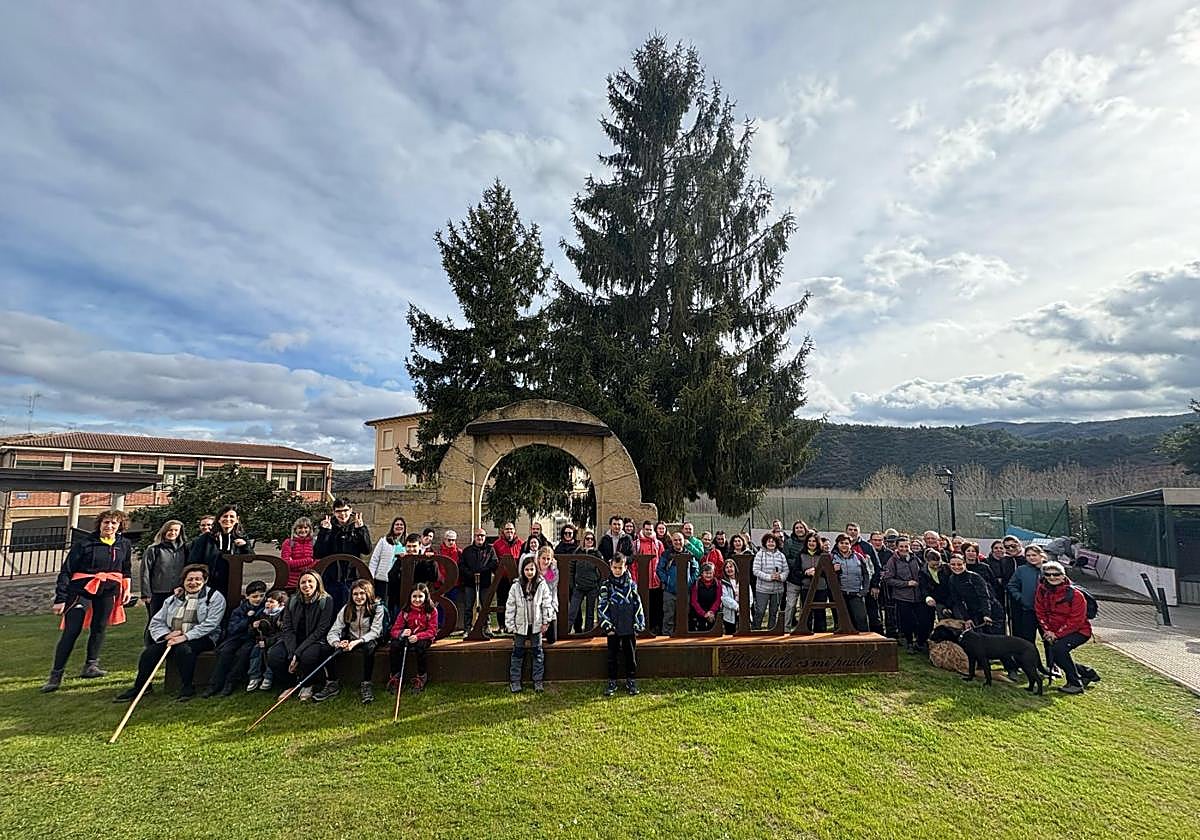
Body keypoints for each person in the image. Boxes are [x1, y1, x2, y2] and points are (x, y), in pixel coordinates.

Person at [41, 509, 134, 692]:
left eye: (113, 523)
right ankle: (56, 675)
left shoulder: (124, 544)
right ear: (100, 524)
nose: (109, 526)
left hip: (107, 590)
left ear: (119, 526)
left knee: (99, 627)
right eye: (106, 522)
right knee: (72, 631)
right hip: (81, 590)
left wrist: (127, 589)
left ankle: (91, 666)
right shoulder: (84, 544)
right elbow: (67, 571)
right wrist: (60, 598)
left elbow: (126, 569)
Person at [115, 564, 226, 702]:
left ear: (205, 581)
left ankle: (187, 687)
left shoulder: (215, 597)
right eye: (189, 579)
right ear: (184, 581)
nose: (193, 583)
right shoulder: (173, 599)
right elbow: (156, 622)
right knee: (149, 653)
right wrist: (166, 635)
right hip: (173, 636)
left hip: (203, 637)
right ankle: (141, 687)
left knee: (184, 650)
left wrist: (185, 637)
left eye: (198, 579)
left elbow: (211, 623)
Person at [266, 570, 336, 702]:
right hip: (292, 638)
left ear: (317, 584)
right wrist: (292, 652)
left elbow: (321, 629)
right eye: (303, 582)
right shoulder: (293, 600)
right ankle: (290, 684)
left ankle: (308, 684)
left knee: (307, 657)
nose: (307, 585)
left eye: (310, 581)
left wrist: (297, 653)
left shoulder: (326, 600)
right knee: (274, 655)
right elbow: (287, 627)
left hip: (315, 639)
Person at [318, 579, 385, 704]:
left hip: (369, 639)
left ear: (368, 594)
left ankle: (366, 683)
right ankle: (332, 683)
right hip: (351, 638)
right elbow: (334, 630)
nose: (359, 597)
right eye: (355, 594)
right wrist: (337, 643)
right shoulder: (347, 609)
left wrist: (358, 641)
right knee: (325, 648)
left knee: (369, 648)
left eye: (362, 593)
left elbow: (375, 632)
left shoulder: (377, 608)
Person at [1035, 560, 1096, 694]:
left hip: (1079, 631)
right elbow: (1040, 611)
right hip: (1053, 631)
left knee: (1058, 650)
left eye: (1056, 574)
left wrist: (1057, 635)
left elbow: (1076, 620)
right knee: (1056, 655)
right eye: (1048, 574)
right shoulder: (1042, 590)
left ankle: (1075, 683)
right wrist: (1047, 630)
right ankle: (1088, 674)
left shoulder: (1075, 595)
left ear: (1063, 575)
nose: (1052, 577)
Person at [202, 579, 268, 697]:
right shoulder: (240, 610)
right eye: (255, 596)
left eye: (261, 596)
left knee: (243, 654)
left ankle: (230, 682)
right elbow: (233, 628)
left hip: (252, 639)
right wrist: (247, 621)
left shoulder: (265, 609)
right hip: (237, 637)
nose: (258, 599)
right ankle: (214, 684)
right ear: (247, 597)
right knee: (225, 652)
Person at [598, 553, 645, 697]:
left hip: (628, 626)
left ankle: (631, 680)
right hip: (613, 627)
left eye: (620, 567)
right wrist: (607, 625)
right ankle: (612, 681)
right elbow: (601, 606)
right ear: (611, 567)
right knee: (612, 656)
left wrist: (638, 624)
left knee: (630, 655)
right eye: (615, 567)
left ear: (625, 567)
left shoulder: (631, 585)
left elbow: (638, 604)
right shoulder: (606, 586)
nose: (617, 570)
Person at [506, 556, 555, 693]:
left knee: (537, 653)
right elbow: (511, 606)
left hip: (536, 625)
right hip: (520, 625)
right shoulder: (516, 586)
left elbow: (547, 604)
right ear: (522, 570)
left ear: (536, 570)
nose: (529, 572)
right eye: (527, 569)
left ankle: (538, 681)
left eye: (532, 569)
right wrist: (510, 625)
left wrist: (546, 621)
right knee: (518, 653)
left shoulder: (542, 584)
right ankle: (515, 681)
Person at [315, 499, 371, 611]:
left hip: (351, 577)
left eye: (345, 510)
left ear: (350, 510)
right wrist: (325, 532)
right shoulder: (329, 527)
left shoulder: (356, 527)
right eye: (339, 511)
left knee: (351, 609)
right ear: (334, 512)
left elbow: (366, 550)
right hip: (332, 577)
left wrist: (361, 530)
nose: (342, 514)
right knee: (331, 609)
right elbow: (318, 553)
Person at [188, 505, 251, 601]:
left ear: (237, 520)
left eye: (231, 516)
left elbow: (250, 558)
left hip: (231, 584)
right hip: (208, 584)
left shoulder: (241, 538)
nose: (228, 519)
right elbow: (193, 561)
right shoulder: (206, 539)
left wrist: (245, 546)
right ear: (219, 519)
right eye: (225, 516)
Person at [140, 519, 187, 642]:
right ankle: (150, 647)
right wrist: (146, 593)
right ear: (164, 531)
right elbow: (145, 572)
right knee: (154, 621)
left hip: (177, 593)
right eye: (170, 530)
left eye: (176, 530)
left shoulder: (184, 550)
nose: (173, 532)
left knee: (173, 621)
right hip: (157, 592)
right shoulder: (154, 549)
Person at [388, 583, 438, 694]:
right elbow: (394, 630)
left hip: (424, 637)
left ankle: (421, 676)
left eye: (420, 596)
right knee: (395, 645)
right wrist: (402, 633)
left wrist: (418, 636)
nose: (417, 599)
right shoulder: (405, 611)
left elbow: (432, 630)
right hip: (408, 638)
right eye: (414, 596)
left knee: (421, 648)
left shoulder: (432, 611)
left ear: (426, 597)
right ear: (410, 597)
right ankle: (395, 676)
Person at [882, 537, 924, 652]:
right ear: (897, 547)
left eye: (906, 546)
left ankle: (920, 642)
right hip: (902, 597)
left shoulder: (916, 558)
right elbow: (888, 579)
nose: (904, 549)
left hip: (918, 595)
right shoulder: (892, 561)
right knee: (907, 621)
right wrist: (906, 583)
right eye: (901, 546)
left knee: (919, 620)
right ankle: (909, 643)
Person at [657, 532, 699, 636]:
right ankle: (666, 638)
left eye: (680, 540)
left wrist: (689, 582)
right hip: (669, 592)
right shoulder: (666, 554)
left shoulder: (690, 554)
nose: (678, 542)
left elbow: (696, 569)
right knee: (668, 617)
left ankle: (683, 638)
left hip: (685, 592)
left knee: (684, 616)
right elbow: (659, 569)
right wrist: (668, 581)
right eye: (675, 540)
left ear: (683, 541)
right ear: (672, 541)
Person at [460, 528, 498, 636]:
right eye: (478, 536)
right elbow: (462, 565)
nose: (480, 538)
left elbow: (494, 563)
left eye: (482, 536)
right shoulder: (467, 550)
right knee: (468, 607)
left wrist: (483, 570)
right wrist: (470, 573)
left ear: (485, 537)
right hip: (470, 583)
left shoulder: (490, 550)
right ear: (474, 537)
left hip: (485, 582)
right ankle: (467, 628)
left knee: (485, 606)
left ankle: (487, 627)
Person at [247, 589, 286, 691]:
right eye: (267, 601)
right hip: (262, 640)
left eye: (272, 602)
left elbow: (282, 634)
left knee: (270, 653)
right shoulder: (263, 614)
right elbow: (254, 632)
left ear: (280, 604)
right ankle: (254, 676)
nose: (268, 604)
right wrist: (254, 627)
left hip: (275, 642)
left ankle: (268, 676)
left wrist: (267, 642)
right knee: (255, 651)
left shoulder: (282, 616)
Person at [830, 534, 870, 632]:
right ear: (837, 544)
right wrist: (832, 570)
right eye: (841, 543)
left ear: (850, 544)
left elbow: (866, 574)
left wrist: (864, 590)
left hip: (856, 593)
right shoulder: (832, 557)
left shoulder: (859, 557)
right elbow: (826, 575)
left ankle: (864, 642)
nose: (844, 545)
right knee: (844, 620)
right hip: (841, 594)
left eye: (847, 543)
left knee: (861, 619)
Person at [568, 530, 603, 633]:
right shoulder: (577, 552)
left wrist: (598, 585)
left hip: (592, 587)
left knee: (590, 613)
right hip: (578, 587)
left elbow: (601, 570)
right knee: (572, 612)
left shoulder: (597, 554)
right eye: (587, 539)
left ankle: (588, 632)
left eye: (592, 539)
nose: (589, 541)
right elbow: (571, 569)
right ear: (584, 540)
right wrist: (572, 584)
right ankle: (567, 631)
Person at [633, 520, 664, 632]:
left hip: (655, 581)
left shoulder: (658, 544)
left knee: (656, 607)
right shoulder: (636, 544)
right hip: (642, 581)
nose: (649, 531)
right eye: (647, 529)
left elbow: (662, 562)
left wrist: (660, 578)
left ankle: (655, 628)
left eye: (650, 530)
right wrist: (635, 580)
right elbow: (634, 564)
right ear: (643, 529)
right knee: (644, 606)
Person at [492, 522, 523, 634]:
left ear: (514, 531)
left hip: (516, 579)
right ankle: (501, 625)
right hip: (502, 578)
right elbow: (494, 561)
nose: (509, 532)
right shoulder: (497, 544)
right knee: (502, 601)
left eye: (511, 529)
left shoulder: (521, 544)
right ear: (503, 531)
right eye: (507, 529)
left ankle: (513, 625)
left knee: (516, 602)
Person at [752, 533, 787, 630]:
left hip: (778, 589)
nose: (771, 543)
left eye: (773, 541)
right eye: (769, 541)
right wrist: (769, 577)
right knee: (760, 611)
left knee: (774, 612)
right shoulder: (760, 554)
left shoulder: (781, 556)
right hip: (762, 589)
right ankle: (756, 629)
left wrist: (780, 577)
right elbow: (755, 570)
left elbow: (786, 571)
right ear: (765, 543)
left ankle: (772, 630)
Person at [368, 516, 407, 605]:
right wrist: (371, 577)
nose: (399, 526)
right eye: (397, 524)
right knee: (380, 605)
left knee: (393, 606)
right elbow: (375, 559)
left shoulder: (405, 544)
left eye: (401, 525)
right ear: (393, 527)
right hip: (382, 579)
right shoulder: (384, 541)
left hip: (397, 581)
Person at [919, 548, 950, 648]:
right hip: (930, 599)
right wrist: (927, 597)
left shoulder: (947, 568)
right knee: (926, 621)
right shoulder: (922, 572)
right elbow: (923, 587)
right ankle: (924, 643)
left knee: (945, 622)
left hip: (945, 599)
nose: (936, 567)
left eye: (938, 564)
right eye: (933, 565)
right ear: (927, 561)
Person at [280, 517, 316, 590]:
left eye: (306, 527)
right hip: (292, 583)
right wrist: (309, 561)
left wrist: (295, 564)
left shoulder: (313, 543)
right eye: (300, 528)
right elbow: (285, 563)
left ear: (310, 529)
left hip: (309, 582)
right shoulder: (289, 543)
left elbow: (318, 561)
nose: (303, 530)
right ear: (295, 529)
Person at [537, 545, 560, 644]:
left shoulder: (552, 572)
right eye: (543, 558)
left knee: (552, 639)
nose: (546, 561)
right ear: (538, 558)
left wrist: (553, 605)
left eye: (548, 559)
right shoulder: (534, 570)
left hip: (549, 604)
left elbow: (552, 589)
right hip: (536, 604)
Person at [689, 562, 721, 631]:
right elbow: (694, 601)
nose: (708, 575)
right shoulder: (696, 583)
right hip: (699, 612)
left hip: (713, 612)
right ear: (702, 573)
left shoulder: (717, 583)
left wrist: (712, 611)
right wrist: (704, 614)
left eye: (710, 573)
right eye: (706, 573)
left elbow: (718, 599)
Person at [719, 558, 741, 633]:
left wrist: (744, 607)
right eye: (727, 567)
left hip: (743, 612)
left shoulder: (742, 580)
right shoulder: (723, 583)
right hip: (729, 614)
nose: (729, 569)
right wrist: (737, 607)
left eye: (731, 567)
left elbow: (749, 595)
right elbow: (725, 598)